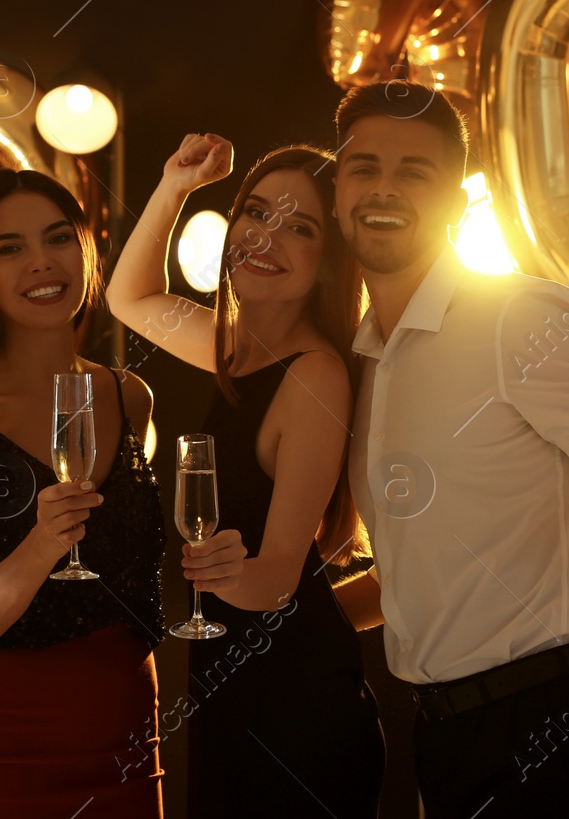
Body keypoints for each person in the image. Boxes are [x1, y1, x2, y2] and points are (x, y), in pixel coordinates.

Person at [327, 80, 569, 817]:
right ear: (339, 190)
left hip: (549, 724)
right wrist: (287, 624)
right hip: (440, 732)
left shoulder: (517, 317)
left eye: (415, 171)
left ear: (457, 202)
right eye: (363, 166)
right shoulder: (368, 359)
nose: (384, 188)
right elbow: (422, 565)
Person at [0, 168, 238, 818]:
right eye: (9, 247)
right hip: (2, 746)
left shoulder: (129, 396)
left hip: (121, 728)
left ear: (87, 250)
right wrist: (44, 541)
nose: (40, 261)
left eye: (57, 237)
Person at [107, 137, 385, 818]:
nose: (265, 237)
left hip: (297, 698)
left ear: (328, 262)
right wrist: (175, 186)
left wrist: (226, 569)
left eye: (300, 227)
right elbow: (129, 295)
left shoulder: (315, 372)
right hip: (237, 676)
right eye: (256, 213)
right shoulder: (236, 348)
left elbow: (279, 576)